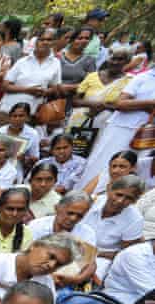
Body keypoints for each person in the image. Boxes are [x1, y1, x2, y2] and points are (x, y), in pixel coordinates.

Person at [78, 59, 155, 188]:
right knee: (103, 165)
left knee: (134, 173)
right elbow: (120, 103)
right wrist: (149, 104)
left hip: (148, 137)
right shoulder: (143, 78)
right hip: (122, 129)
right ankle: (85, 197)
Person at [0, 233, 77, 304]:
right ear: (34, 245)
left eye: (58, 264)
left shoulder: (46, 283)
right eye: (51, 256)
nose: (51, 265)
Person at [80, 174, 145, 281]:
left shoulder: (135, 219)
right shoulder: (91, 202)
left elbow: (125, 254)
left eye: (129, 198)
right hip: (72, 246)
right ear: (109, 189)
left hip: (102, 258)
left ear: (135, 201)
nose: (120, 201)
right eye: (118, 194)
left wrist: (95, 253)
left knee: (86, 280)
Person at [0, 28, 61, 124]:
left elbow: (54, 87)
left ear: (54, 42)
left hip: (31, 113)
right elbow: (4, 86)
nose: (45, 42)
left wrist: (45, 91)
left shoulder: (56, 63)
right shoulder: (23, 61)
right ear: (36, 41)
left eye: (49, 40)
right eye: (41, 39)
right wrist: (28, 90)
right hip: (8, 110)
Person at [69, 49, 131, 132]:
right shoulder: (92, 76)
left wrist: (104, 106)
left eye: (120, 59)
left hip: (105, 126)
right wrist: (92, 104)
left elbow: (124, 106)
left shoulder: (129, 81)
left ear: (127, 61)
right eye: (113, 58)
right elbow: (75, 101)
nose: (115, 62)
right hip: (80, 121)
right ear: (108, 59)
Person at [0, 102, 40, 176]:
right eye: (14, 116)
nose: (17, 119)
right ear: (9, 117)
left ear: (28, 118)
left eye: (21, 116)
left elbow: (35, 158)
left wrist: (25, 159)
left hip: (15, 170)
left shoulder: (33, 134)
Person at [60, 27, 97, 94]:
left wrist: (67, 87)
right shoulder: (58, 57)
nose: (83, 41)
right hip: (50, 97)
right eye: (79, 38)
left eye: (87, 38)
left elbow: (90, 83)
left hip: (74, 99)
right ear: (71, 40)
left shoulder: (90, 61)